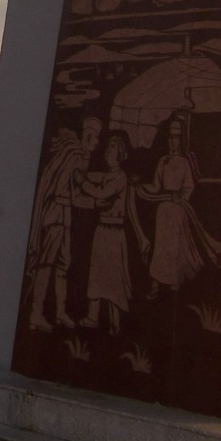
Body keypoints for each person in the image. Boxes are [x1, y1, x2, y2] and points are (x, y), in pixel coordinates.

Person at [27, 115, 100, 330]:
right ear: (88, 136)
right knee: (46, 264)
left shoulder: (75, 154)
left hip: (64, 215)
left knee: (62, 265)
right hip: (56, 216)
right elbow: (74, 191)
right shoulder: (79, 157)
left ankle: (60, 313)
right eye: (95, 138)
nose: (97, 143)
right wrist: (96, 201)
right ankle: (36, 314)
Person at [142, 113, 221, 292]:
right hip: (163, 209)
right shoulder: (163, 161)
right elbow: (155, 187)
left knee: (174, 248)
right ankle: (156, 282)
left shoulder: (184, 162)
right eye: (171, 138)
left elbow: (189, 186)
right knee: (161, 247)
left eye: (176, 138)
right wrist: (140, 186)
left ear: (181, 140)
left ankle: (174, 281)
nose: (173, 142)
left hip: (177, 209)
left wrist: (181, 197)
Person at [79, 132, 134, 334]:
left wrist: (82, 183)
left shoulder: (120, 178)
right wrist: (82, 173)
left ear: (120, 154)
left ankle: (114, 323)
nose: (107, 151)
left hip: (114, 233)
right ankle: (93, 317)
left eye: (112, 148)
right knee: (96, 274)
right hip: (102, 230)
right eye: (108, 148)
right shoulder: (108, 175)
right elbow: (94, 177)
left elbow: (102, 193)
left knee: (113, 279)